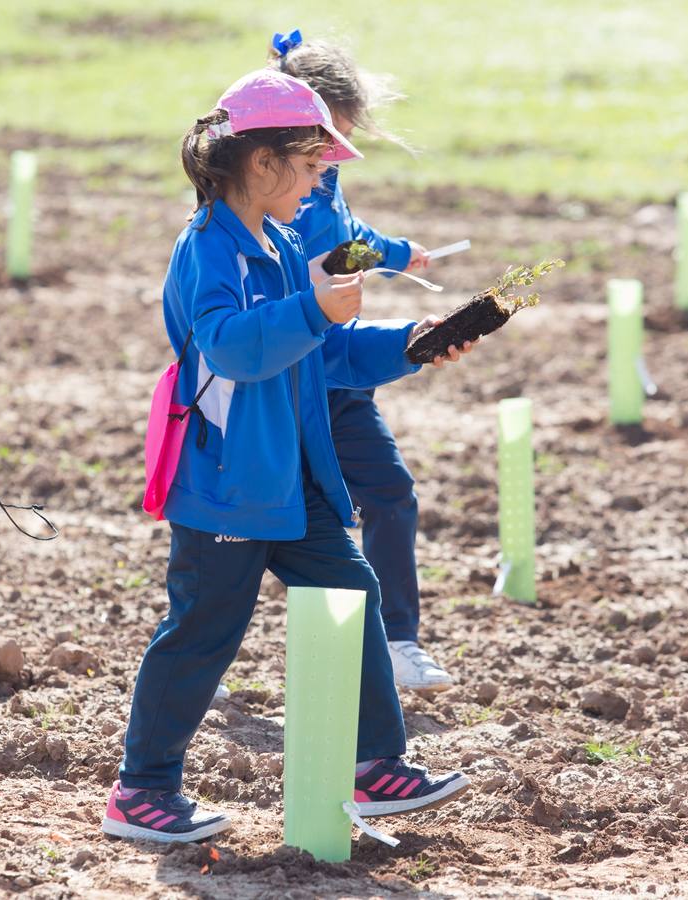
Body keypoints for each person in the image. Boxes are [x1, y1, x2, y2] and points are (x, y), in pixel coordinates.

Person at [103, 69, 475, 843]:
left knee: (353, 591)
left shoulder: (276, 244)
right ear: (263, 162)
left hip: (295, 482)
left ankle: (375, 767)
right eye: (309, 167)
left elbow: (324, 356)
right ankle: (141, 790)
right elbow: (234, 350)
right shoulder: (208, 250)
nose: (318, 183)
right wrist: (311, 307)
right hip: (229, 486)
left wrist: (408, 345)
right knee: (203, 632)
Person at [273, 31, 454, 692]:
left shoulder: (326, 176)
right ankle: (200, 655)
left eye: (343, 142)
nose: (334, 156)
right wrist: (383, 279)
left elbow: (347, 241)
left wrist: (400, 253)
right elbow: (325, 265)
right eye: (325, 141)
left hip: (340, 381)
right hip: (289, 383)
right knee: (254, 532)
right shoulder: (269, 207)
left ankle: (396, 639)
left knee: (389, 493)